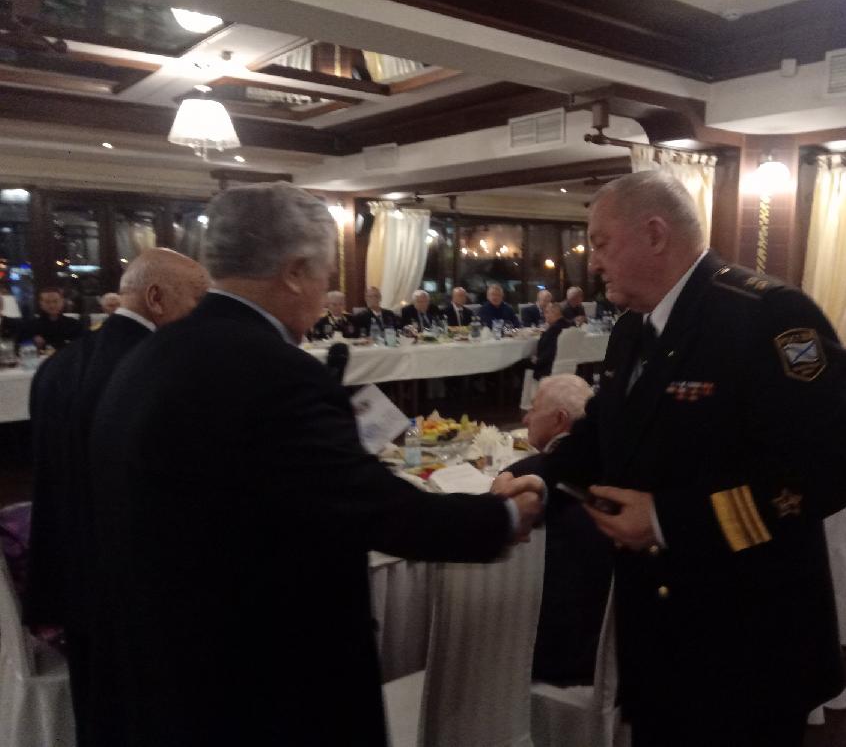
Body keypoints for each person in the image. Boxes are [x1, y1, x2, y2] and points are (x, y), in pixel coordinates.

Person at [85, 182, 544, 747]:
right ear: (297, 272)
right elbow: (372, 511)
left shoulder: (144, 357)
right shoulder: (275, 371)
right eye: (326, 276)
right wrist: (501, 518)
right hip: (267, 683)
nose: (326, 294)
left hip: (164, 667)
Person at [537, 170, 846, 747]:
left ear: (655, 234)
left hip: (749, 638)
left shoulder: (771, 316)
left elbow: (827, 472)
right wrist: (534, 480)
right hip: (657, 630)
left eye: (601, 242)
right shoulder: (633, 328)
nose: (593, 261)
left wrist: (669, 520)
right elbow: (605, 432)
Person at [26, 248, 210, 747]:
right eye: (198, 298)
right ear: (156, 298)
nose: (204, 312)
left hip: (74, 576)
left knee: (96, 716)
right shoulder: (162, 369)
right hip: (141, 585)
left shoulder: (57, 368)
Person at [507, 375, 613, 686]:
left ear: (559, 419)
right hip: (607, 652)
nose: (525, 418)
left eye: (533, 409)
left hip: (560, 658)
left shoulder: (550, 491)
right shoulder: (608, 473)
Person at [531, 302, 573, 380]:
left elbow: (549, 353)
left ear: (555, 313)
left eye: (547, 312)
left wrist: (537, 360)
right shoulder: (570, 325)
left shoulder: (554, 329)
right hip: (567, 366)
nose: (545, 315)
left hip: (548, 367)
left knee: (518, 364)